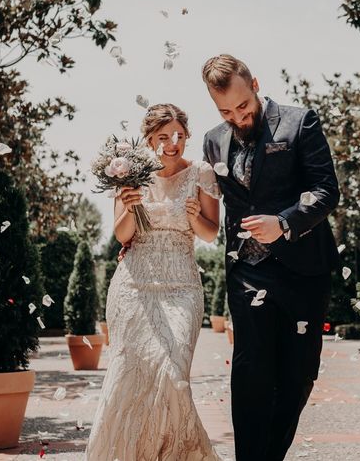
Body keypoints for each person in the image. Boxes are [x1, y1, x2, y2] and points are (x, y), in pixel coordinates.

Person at [200, 55, 340, 461]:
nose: (238, 117)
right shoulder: (212, 140)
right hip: (247, 272)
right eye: (226, 111)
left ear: (256, 84)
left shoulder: (300, 122)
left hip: (303, 271)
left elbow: (326, 189)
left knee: (296, 377)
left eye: (243, 106)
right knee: (249, 375)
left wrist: (284, 222)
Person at [87, 104, 223, 460]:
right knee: (129, 378)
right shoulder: (130, 175)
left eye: (178, 135)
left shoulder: (202, 173)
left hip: (182, 286)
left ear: (186, 136)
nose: (171, 143)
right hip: (134, 286)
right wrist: (130, 206)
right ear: (149, 139)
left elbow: (211, 233)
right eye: (163, 137)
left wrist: (195, 218)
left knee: (173, 374)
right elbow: (121, 235)